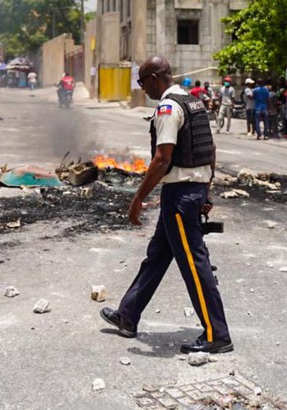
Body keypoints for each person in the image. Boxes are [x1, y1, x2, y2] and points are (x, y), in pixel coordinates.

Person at [100, 56, 233, 355]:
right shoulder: (193, 103)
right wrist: (206, 191)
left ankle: (217, 333)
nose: (142, 88)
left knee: (195, 266)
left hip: (179, 197)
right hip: (191, 191)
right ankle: (128, 315)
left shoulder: (168, 107)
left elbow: (163, 159)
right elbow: (209, 150)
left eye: (142, 81)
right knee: (157, 256)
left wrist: (138, 197)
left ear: (154, 78)